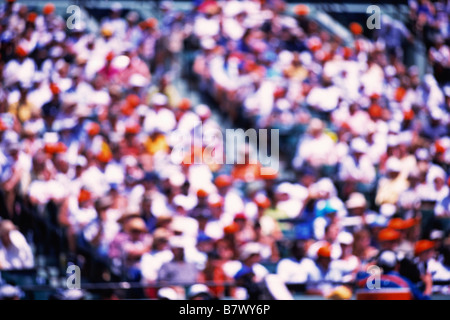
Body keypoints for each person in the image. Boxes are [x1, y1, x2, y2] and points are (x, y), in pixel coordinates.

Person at [356, 250, 430, 300]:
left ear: (378, 265)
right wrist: (428, 284)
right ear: (397, 265)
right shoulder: (405, 282)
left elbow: (358, 277)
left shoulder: (368, 282)